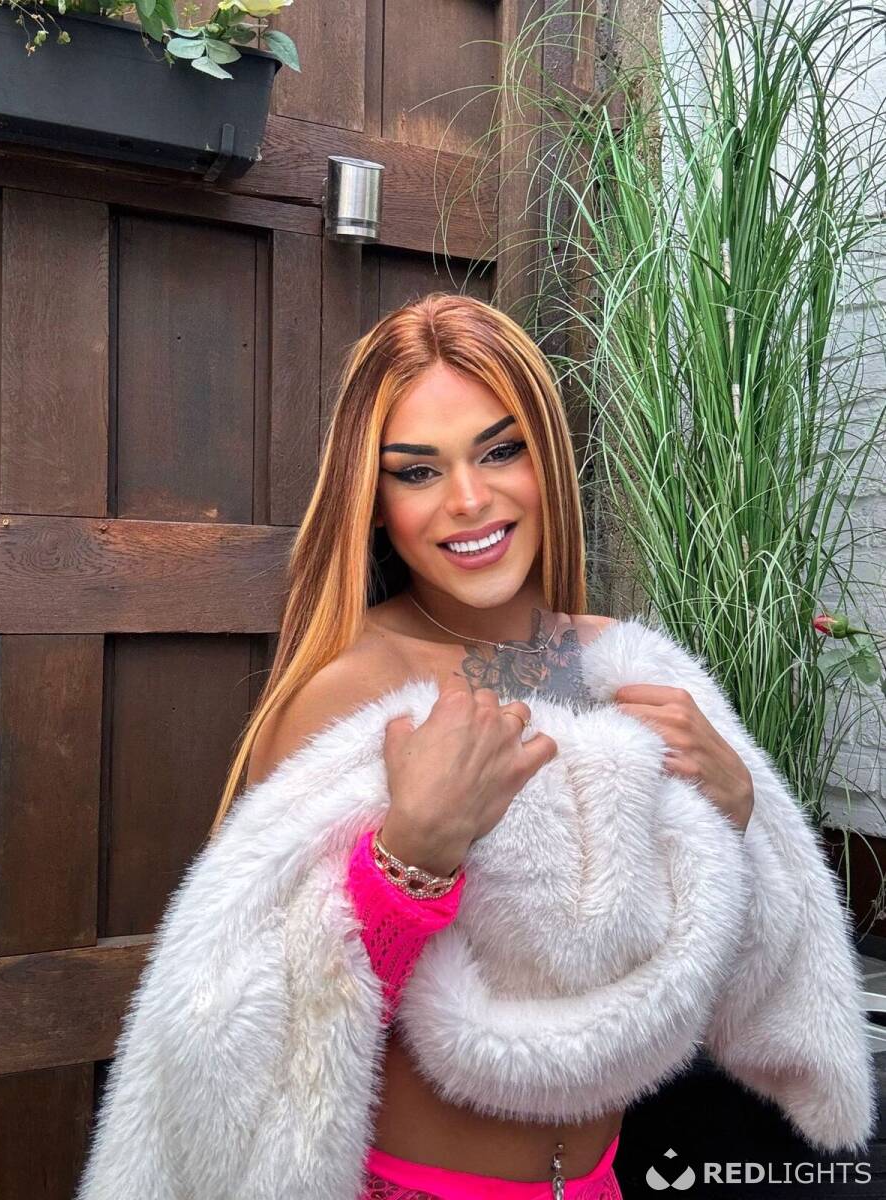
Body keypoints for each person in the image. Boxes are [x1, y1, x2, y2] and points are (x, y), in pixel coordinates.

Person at [215, 291, 756, 1199]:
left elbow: (714, 975)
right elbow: (268, 1016)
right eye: (418, 471)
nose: (469, 500)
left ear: (549, 459)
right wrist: (411, 859)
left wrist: (734, 817)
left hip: (601, 1182)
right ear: (374, 501)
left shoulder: (622, 663)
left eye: (501, 451)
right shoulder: (354, 690)